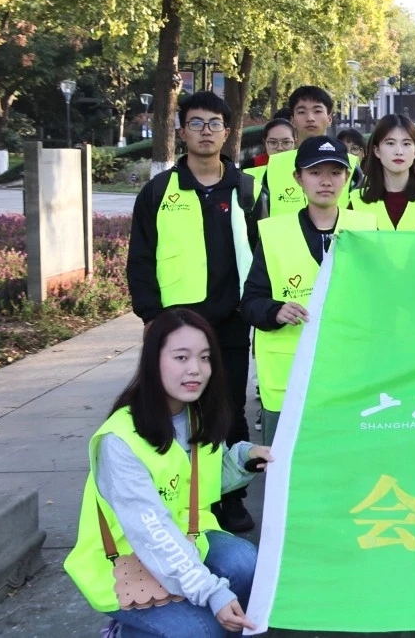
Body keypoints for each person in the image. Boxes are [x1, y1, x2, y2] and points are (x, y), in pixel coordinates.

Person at [64, 308, 270, 637]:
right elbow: (152, 532)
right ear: (153, 361)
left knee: (246, 563)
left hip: (186, 537)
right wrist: (212, 592)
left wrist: (244, 459)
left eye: (205, 357)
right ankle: (124, 632)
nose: (195, 369)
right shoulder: (120, 440)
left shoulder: (196, 416)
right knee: (201, 630)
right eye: (181, 357)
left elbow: (199, 481)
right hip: (125, 559)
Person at [126, 90, 258, 534]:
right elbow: (140, 258)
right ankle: (176, 494)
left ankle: (230, 497)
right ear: (182, 132)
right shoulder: (159, 191)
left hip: (233, 320)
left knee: (230, 407)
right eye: (196, 123)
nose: (206, 131)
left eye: (214, 124)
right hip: (177, 324)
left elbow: (264, 251)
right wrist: (151, 317)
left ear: (227, 132)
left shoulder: (245, 189)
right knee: (175, 408)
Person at [241, 137, 376, 444]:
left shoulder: (367, 229)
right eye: (315, 173)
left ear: (347, 178)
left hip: (349, 377)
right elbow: (250, 303)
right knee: (285, 465)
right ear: (298, 178)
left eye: (335, 173)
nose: (326, 181)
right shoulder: (274, 233)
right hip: (288, 380)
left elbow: (382, 300)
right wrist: (276, 311)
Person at [257, 86, 343, 218]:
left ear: (329, 119)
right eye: (302, 112)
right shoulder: (274, 166)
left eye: (317, 111)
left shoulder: (350, 165)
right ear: (292, 120)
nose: (310, 118)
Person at [350, 115, 415, 231]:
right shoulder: (356, 202)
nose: (399, 151)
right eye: (390, 143)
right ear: (377, 150)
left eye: (406, 144)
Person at [244, 118, 296, 204]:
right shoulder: (251, 166)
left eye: (286, 142)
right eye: (273, 142)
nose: (280, 148)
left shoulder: (304, 166)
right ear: (265, 142)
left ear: (295, 142)